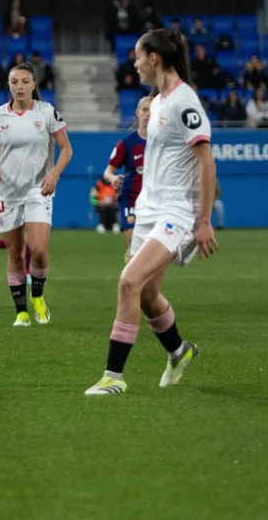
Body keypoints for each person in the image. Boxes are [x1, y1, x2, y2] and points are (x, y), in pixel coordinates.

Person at [85, 29, 217, 396]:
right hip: (147, 209)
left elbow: (207, 164)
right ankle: (179, 351)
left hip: (176, 212)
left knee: (128, 282)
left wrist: (203, 221)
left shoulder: (183, 102)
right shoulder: (157, 101)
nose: (135, 63)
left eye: (138, 56)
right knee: (145, 294)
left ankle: (113, 377)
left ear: (154, 58)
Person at [0, 62, 72, 327]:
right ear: (9, 86)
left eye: (24, 81)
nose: (19, 86)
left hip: (38, 189)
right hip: (6, 191)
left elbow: (66, 149)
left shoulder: (47, 112)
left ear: (34, 84)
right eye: (14, 82)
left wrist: (53, 174)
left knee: (39, 250)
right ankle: (21, 313)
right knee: (15, 253)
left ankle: (38, 296)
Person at [103, 97, 150, 256]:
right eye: (144, 110)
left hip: (154, 201)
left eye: (151, 110)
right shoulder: (127, 143)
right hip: (131, 199)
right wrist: (113, 178)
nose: (148, 114)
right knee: (135, 250)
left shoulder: (162, 142)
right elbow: (107, 172)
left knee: (153, 252)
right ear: (138, 113)